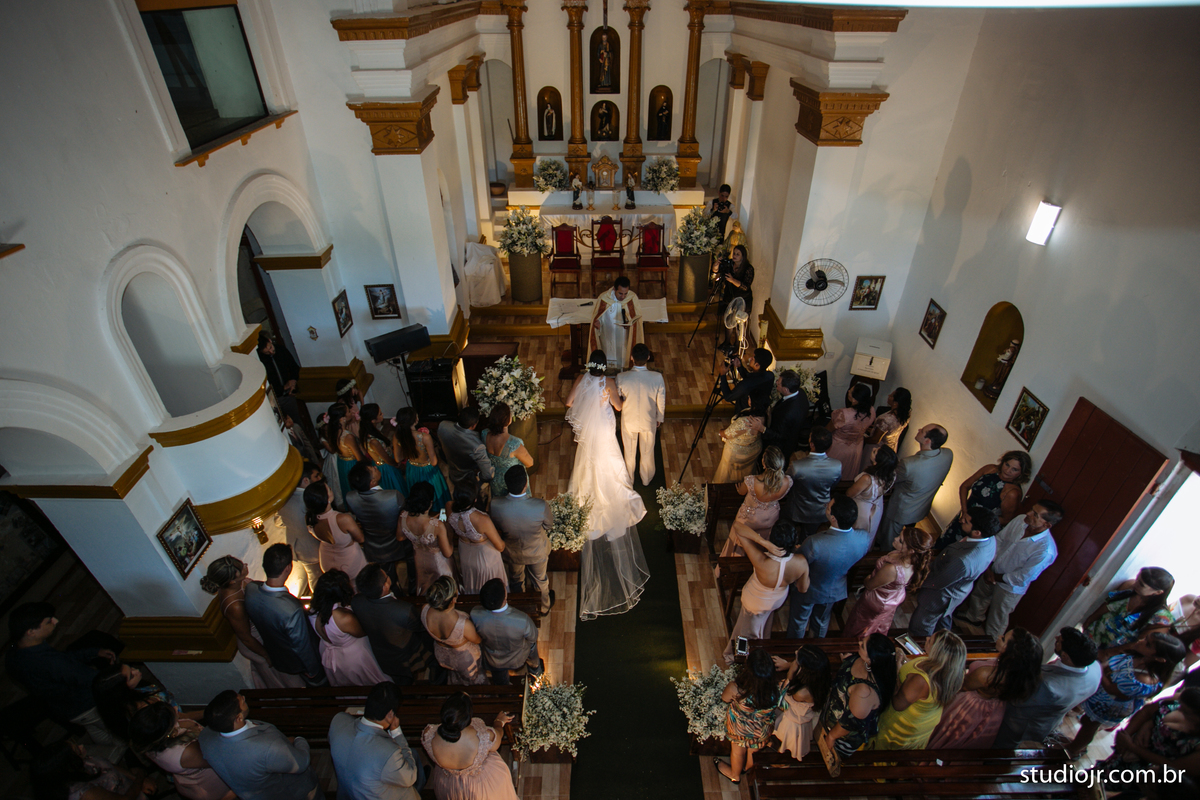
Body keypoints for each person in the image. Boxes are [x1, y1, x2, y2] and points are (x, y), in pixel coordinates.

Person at [565, 351, 649, 620]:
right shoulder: (609, 383)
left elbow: (568, 403)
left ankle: (588, 497)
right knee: (610, 461)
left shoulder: (581, 378)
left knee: (587, 463)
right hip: (604, 428)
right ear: (605, 368)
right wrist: (618, 396)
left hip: (591, 432)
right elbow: (619, 408)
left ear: (590, 365)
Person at [5, 601, 118, 744]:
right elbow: (89, 679)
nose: (56, 621)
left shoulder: (14, 653)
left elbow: (63, 660)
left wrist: (93, 652)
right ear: (31, 631)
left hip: (66, 708)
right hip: (86, 705)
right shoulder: (48, 661)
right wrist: (119, 674)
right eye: (48, 621)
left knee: (98, 731)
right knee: (116, 731)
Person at [1067, 630, 1187, 758]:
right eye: (1145, 638)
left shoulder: (1143, 680)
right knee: (1087, 721)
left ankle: (1074, 750)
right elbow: (1114, 664)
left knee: (1090, 726)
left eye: (1147, 644)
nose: (1141, 641)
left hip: (1108, 705)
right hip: (1102, 694)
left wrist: (1099, 668)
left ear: (1159, 658)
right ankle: (1078, 745)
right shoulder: (1138, 656)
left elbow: (1111, 689)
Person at [958, 500, 1063, 641]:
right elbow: (1000, 539)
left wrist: (996, 577)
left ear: (1047, 525)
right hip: (993, 568)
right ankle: (973, 618)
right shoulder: (1020, 520)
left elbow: (1024, 576)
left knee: (998, 615)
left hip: (1010, 586)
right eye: (1032, 509)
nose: (1028, 513)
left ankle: (991, 643)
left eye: (1035, 514)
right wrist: (990, 566)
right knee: (980, 595)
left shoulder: (1045, 550)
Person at [928, 627, 1043, 749]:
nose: (999, 637)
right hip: (994, 711)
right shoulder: (1017, 673)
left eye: (1003, 638)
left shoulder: (986, 675)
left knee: (946, 737)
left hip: (968, 708)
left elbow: (961, 686)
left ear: (1008, 650)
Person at [201, 556, 304, 690]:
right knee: (283, 678)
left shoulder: (236, 584)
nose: (245, 565)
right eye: (241, 567)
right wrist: (267, 655)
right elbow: (246, 638)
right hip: (257, 642)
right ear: (232, 581)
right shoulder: (235, 606)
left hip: (264, 633)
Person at [198, 690, 320, 800]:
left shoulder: (205, 737)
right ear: (239, 718)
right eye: (242, 700)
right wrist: (300, 740)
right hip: (289, 793)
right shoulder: (266, 747)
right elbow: (301, 763)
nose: (244, 698)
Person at [993, 627, 1101, 748]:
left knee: (1001, 746)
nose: (1056, 638)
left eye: (1059, 641)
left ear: (1065, 656)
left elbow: (1017, 699)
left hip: (1021, 722)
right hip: (1050, 718)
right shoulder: (1095, 668)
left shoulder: (1049, 687)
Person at [722, 520, 810, 664]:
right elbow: (803, 589)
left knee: (744, 634)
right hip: (773, 603)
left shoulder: (761, 560)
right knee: (764, 626)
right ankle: (761, 646)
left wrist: (763, 542)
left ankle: (741, 658)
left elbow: (737, 526)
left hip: (754, 604)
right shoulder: (801, 562)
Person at [786, 497, 872, 639]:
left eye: (828, 507)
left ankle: (793, 648)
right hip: (834, 588)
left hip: (809, 588)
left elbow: (800, 561)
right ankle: (817, 646)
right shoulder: (864, 538)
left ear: (833, 518)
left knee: (799, 621)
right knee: (821, 621)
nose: (826, 506)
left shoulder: (816, 542)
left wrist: (797, 550)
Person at [243, 544, 327, 687]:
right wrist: (313, 671)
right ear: (288, 568)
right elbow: (302, 645)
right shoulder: (291, 609)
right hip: (297, 661)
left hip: (277, 656)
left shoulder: (251, 591)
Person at [1092, 688, 1200, 798]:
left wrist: (1132, 747)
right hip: (1123, 755)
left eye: (1185, 711)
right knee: (1089, 783)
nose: (1179, 708)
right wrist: (1126, 737)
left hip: (1144, 777)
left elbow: (1174, 767)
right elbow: (1148, 711)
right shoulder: (1188, 699)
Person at [870, 629, 966, 750]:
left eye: (930, 640)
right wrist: (903, 660)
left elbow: (897, 704)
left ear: (937, 653)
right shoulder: (947, 670)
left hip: (901, 726)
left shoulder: (921, 681)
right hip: (924, 721)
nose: (926, 639)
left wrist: (896, 668)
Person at [351, 563, 444, 685]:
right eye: (386, 576)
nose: (389, 576)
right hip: (405, 653)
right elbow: (418, 627)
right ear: (385, 586)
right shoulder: (403, 610)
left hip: (381, 652)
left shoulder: (356, 602)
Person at [328, 681, 423, 800]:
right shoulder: (388, 753)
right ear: (390, 714)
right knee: (412, 757)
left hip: (348, 793)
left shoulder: (338, 721)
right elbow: (410, 777)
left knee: (412, 754)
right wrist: (396, 732)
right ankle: (420, 784)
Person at [421, 693, 517, 800]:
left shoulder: (428, 734)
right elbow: (498, 737)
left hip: (450, 788)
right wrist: (499, 722)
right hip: (482, 787)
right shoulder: (483, 737)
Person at [842, 526, 933, 639]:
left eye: (900, 541)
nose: (895, 539)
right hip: (893, 595)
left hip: (879, 599)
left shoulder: (893, 569)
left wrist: (869, 577)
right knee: (875, 624)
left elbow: (870, 585)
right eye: (899, 535)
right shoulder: (911, 558)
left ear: (911, 550)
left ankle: (853, 643)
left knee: (862, 625)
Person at [128, 702, 233, 800]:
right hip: (213, 785)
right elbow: (221, 757)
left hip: (189, 781)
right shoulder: (186, 752)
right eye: (173, 712)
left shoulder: (150, 741)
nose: (175, 708)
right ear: (169, 731)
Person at [489, 465, 555, 615]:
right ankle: (544, 608)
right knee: (540, 580)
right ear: (526, 483)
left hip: (513, 552)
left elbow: (496, 524)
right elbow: (549, 525)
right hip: (537, 552)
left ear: (507, 484)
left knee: (516, 580)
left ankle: (520, 606)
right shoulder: (539, 506)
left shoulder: (496, 505)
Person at [876, 423, 953, 550]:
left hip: (901, 509)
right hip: (922, 507)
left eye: (922, 430)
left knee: (889, 539)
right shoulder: (948, 454)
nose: (919, 429)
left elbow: (891, 480)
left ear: (927, 441)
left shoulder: (909, 464)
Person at [819, 633, 897, 759]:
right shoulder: (866, 662)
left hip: (840, 735)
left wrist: (831, 737)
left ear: (870, 660)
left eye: (863, 646)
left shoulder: (865, 693)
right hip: (833, 711)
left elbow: (848, 723)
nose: (859, 643)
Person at [935, 450, 1032, 550]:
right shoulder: (990, 469)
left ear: (1021, 473)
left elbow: (1006, 520)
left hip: (978, 530)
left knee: (955, 554)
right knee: (942, 544)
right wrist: (964, 511)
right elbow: (965, 486)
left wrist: (977, 521)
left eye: (1014, 469)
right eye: (1007, 465)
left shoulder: (1012, 493)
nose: (1008, 471)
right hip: (964, 516)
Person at [309, 569, 391, 687]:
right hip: (352, 657)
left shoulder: (313, 610)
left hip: (329, 654)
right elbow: (361, 632)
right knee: (370, 681)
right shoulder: (343, 617)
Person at [714, 648, 783, 784]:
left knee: (738, 752)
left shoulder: (737, 689)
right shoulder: (778, 689)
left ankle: (735, 775)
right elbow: (782, 706)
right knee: (753, 751)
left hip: (740, 729)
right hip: (762, 730)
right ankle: (746, 768)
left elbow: (725, 698)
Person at [346, 460, 413, 591]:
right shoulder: (393, 496)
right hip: (398, 541)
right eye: (373, 469)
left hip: (374, 544)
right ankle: (413, 588)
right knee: (411, 561)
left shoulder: (350, 497)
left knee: (388, 577)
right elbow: (405, 514)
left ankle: (395, 593)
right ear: (372, 482)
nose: (376, 467)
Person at [1084, 566, 1176, 657]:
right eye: (1137, 579)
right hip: (1091, 635)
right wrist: (1089, 621)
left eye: (1141, 584)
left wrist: (1106, 654)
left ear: (1158, 592)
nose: (1135, 584)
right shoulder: (1129, 587)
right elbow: (1107, 605)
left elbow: (1138, 645)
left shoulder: (1161, 619)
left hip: (1109, 652)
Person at [93, 661, 191, 743]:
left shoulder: (136, 689)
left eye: (131, 667)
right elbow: (179, 720)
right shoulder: (143, 710)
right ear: (122, 690)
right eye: (131, 676)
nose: (136, 670)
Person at [469, 579, 543, 685]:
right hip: (517, 658)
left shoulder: (475, 614)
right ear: (504, 598)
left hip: (492, 660)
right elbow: (533, 636)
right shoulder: (521, 620)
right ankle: (536, 671)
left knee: (500, 680)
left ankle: (503, 687)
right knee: (532, 645)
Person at [29, 740, 156, 800]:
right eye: (77, 750)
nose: (81, 746)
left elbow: (107, 766)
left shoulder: (77, 764)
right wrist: (140, 776)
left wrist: (136, 778)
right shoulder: (84, 793)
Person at [769, 645, 832, 761]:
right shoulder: (819, 678)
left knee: (787, 741)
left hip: (793, 722)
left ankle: (781, 755)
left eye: (796, 660)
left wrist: (790, 672)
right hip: (805, 713)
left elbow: (783, 699)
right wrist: (788, 664)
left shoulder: (802, 692)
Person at [421, 576, 487, 685]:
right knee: (473, 681)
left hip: (441, 654)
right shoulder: (462, 624)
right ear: (453, 600)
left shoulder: (425, 610)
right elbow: (477, 640)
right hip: (463, 659)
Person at [616, 343, 666, 485]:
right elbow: (661, 400)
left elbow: (619, 398)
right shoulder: (657, 377)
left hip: (629, 421)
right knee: (647, 451)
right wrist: (659, 418)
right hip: (648, 419)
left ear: (632, 358)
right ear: (648, 357)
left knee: (629, 453)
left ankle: (629, 479)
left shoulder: (621, 377)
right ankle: (646, 478)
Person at [446, 479, 507, 594]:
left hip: (465, 553)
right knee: (491, 589)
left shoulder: (449, 507)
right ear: (474, 500)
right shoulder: (481, 519)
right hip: (484, 558)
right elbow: (500, 547)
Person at [305, 479, 368, 589]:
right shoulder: (342, 519)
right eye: (329, 489)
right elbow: (361, 538)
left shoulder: (310, 518)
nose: (331, 490)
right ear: (327, 499)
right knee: (354, 587)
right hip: (348, 561)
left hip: (327, 559)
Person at [274, 461, 325, 597]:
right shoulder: (308, 499)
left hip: (297, 545)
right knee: (319, 576)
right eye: (316, 476)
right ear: (305, 480)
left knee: (313, 576)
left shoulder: (284, 498)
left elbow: (278, 522)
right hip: (313, 545)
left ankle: (319, 599)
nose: (319, 479)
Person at [782, 428, 843, 537]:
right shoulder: (837, 465)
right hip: (819, 510)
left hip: (797, 508)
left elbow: (787, 483)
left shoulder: (797, 466)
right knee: (808, 535)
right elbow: (833, 485)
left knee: (789, 532)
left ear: (812, 444)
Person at [398, 482, 455, 594]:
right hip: (438, 563)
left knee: (425, 586)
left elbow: (400, 537)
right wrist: (449, 534)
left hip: (419, 559)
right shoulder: (437, 526)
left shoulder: (403, 516)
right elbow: (447, 553)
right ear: (430, 503)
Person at [393, 406, 451, 509]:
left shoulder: (397, 436)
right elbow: (434, 462)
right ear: (415, 420)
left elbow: (398, 459)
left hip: (412, 469)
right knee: (434, 495)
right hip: (428, 470)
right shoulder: (425, 437)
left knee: (418, 496)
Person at [844, 444, 897, 541]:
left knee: (857, 535)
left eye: (874, 452)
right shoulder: (892, 474)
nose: (873, 448)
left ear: (877, 462)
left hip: (862, 510)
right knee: (870, 533)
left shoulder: (867, 479)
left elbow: (849, 494)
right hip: (877, 505)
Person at [480, 402, 534, 497]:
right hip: (514, 482)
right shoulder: (514, 444)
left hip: (495, 480)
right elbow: (530, 463)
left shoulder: (484, 434)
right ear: (508, 420)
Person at [589, 277, 643, 369]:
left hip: (624, 336)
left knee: (623, 355)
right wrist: (597, 325)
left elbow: (636, 317)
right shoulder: (604, 298)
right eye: (620, 293)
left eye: (625, 293)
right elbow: (598, 317)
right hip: (607, 336)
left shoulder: (632, 297)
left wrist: (630, 323)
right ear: (614, 289)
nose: (623, 297)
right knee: (608, 356)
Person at [826, 384, 877, 481]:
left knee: (831, 473)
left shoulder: (843, 414)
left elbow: (828, 429)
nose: (848, 391)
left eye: (850, 391)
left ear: (854, 400)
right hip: (856, 448)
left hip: (838, 447)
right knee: (847, 475)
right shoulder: (871, 410)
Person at [759, 369, 811, 462]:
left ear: (786, 389)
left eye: (778, 383)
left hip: (781, 446)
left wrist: (762, 428)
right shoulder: (801, 392)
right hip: (792, 434)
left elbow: (779, 435)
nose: (777, 383)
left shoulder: (787, 413)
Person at [437, 407, 494, 491]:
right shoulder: (476, 446)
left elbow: (440, 447)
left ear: (459, 415)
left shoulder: (443, 425)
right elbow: (488, 475)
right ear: (474, 425)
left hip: (452, 472)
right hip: (469, 479)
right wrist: (478, 474)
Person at [325, 403, 366, 503]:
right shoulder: (347, 436)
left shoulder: (334, 431)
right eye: (348, 411)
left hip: (343, 463)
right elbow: (359, 457)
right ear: (342, 418)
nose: (351, 412)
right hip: (352, 465)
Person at [716, 347, 774, 418]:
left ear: (757, 365)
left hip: (744, 415)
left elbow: (728, 397)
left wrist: (723, 374)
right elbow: (752, 378)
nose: (750, 358)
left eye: (753, 358)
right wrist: (740, 367)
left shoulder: (746, 385)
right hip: (760, 412)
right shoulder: (770, 376)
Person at [359, 403, 405, 491]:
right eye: (380, 414)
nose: (382, 414)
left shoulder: (371, 431)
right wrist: (399, 465)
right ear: (373, 420)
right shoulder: (374, 441)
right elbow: (386, 459)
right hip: (386, 467)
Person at [711, 409, 764, 485]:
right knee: (747, 470)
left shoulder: (745, 421)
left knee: (727, 473)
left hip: (736, 453)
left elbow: (727, 433)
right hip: (754, 450)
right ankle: (744, 485)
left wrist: (720, 432)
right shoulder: (766, 413)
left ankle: (724, 488)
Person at [862, 387, 910, 466]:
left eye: (891, 396)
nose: (888, 396)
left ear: (896, 403)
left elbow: (875, 440)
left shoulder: (886, 419)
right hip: (891, 447)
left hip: (878, 448)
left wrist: (862, 439)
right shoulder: (906, 414)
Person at [713, 244, 754, 332]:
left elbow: (745, 286)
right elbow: (715, 271)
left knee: (739, 323)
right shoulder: (730, 264)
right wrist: (717, 263)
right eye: (734, 253)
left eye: (737, 254)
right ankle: (727, 342)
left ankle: (737, 344)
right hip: (730, 296)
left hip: (743, 298)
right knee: (729, 319)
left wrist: (732, 280)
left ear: (743, 256)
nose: (734, 256)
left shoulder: (748, 269)